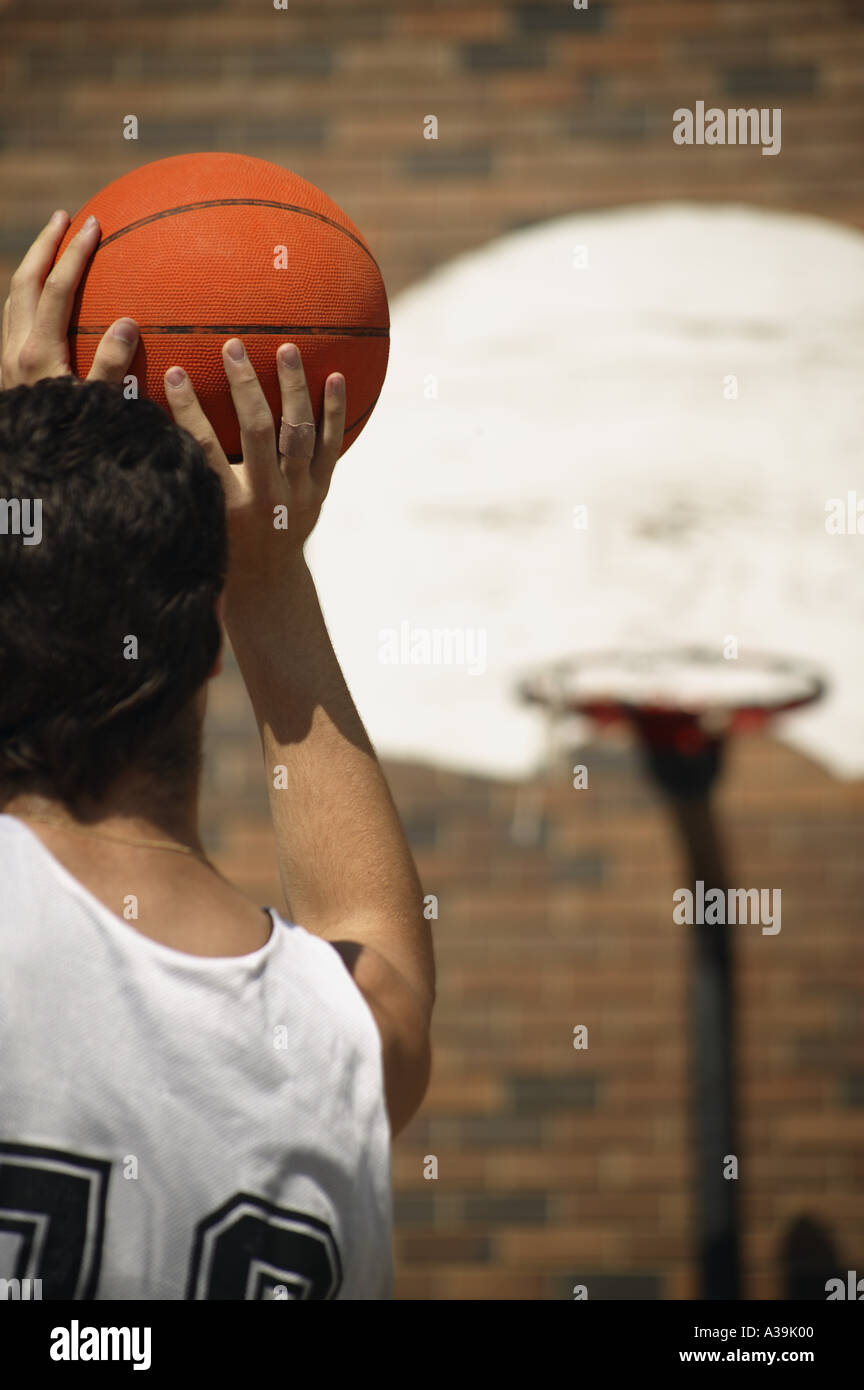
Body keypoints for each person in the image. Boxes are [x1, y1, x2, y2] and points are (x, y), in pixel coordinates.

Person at [0, 210, 434, 1300]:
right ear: (203, 669)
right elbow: (378, 943)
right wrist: (270, 579)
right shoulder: (345, 1045)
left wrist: (35, 456)